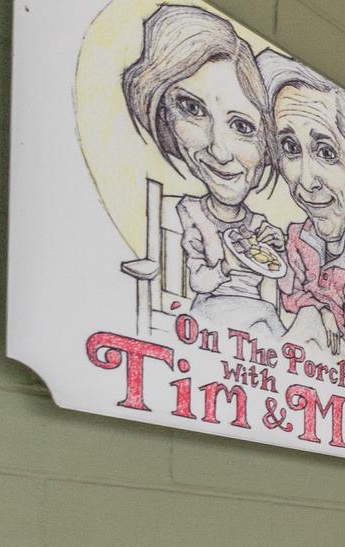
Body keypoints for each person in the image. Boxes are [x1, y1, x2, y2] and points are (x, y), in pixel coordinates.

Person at [120, 5, 285, 339]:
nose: (218, 150)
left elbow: (274, 262)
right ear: (164, 114)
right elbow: (199, 280)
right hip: (210, 323)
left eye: (242, 126)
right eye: (192, 109)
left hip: (258, 328)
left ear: (268, 147)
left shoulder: (259, 224)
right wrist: (223, 265)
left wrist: (271, 245)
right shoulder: (186, 215)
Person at [255, 50, 345, 355]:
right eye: (289, 148)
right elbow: (287, 296)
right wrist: (321, 310)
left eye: (326, 152)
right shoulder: (295, 240)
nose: (307, 181)